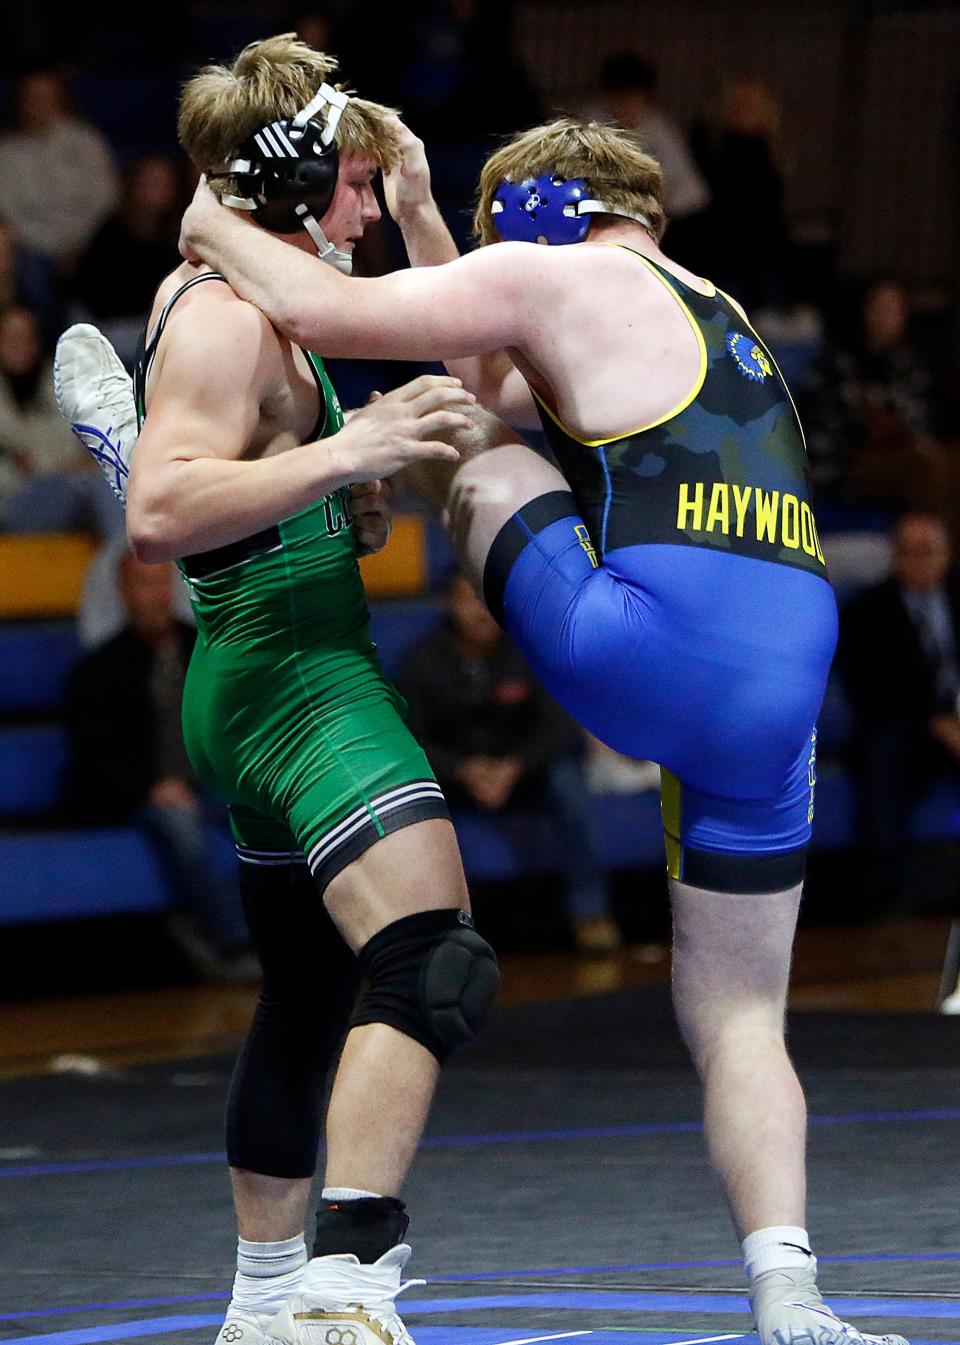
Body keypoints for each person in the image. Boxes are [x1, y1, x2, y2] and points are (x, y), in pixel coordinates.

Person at [175, 108, 907, 1345]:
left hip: (650, 652)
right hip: (786, 681)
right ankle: (794, 1296)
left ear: (534, 211)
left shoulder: (550, 268)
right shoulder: (713, 304)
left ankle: (293, 508)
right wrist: (419, 223)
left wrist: (207, 220)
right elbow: (497, 349)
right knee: (739, 1018)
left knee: (475, 446)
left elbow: (344, 320)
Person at [55, 36, 498, 1345]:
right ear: (299, 186)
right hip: (294, 684)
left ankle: (259, 1303)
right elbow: (164, 512)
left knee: (308, 991)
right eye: (357, 185)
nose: (365, 209)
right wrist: (353, 447)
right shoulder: (233, 314)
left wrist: (330, 487)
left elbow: (235, 483)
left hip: (258, 668)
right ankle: (348, 1280)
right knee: (431, 959)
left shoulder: (258, 297)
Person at [400, 569, 619, 953]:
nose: (481, 612)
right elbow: (408, 739)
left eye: (487, 601)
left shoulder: (527, 651)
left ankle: (590, 913)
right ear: (451, 603)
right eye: (470, 600)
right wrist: (461, 770)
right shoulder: (423, 661)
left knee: (569, 783)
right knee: (411, 803)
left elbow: (560, 728)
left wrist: (514, 767)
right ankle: (437, 933)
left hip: (523, 774)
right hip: (453, 778)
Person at [63, 550, 254, 976]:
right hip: (140, 794)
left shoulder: (203, 647)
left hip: (209, 783)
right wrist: (150, 787)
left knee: (271, 815)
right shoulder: (99, 669)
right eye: (143, 585)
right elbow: (94, 758)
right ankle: (235, 944)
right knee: (182, 829)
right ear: (124, 593)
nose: (155, 595)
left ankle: (299, 935)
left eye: (162, 583)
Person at [837, 513, 960, 907]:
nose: (917, 560)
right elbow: (869, 690)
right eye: (907, 552)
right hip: (904, 725)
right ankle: (885, 889)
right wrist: (935, 722)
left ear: (946, 555)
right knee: (883, 752)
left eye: (927, 551)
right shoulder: (867, 611)